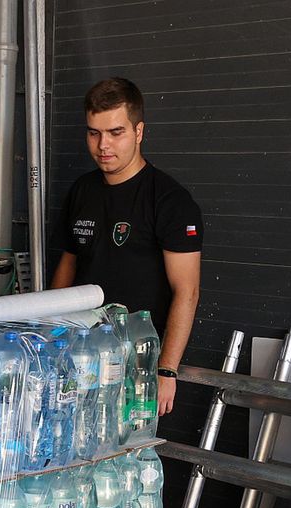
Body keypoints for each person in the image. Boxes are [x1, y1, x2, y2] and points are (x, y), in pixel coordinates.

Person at [50, 77, 202, 416]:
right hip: (81, 352)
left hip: (137, 362)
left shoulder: (170, 201)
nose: (103, 145)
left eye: (116, 132)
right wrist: (50, 335)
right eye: (94, 133)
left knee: (125, 455)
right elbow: (69, 264)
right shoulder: (82, 190)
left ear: (138, 131)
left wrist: (165, 370)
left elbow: (187, 291)